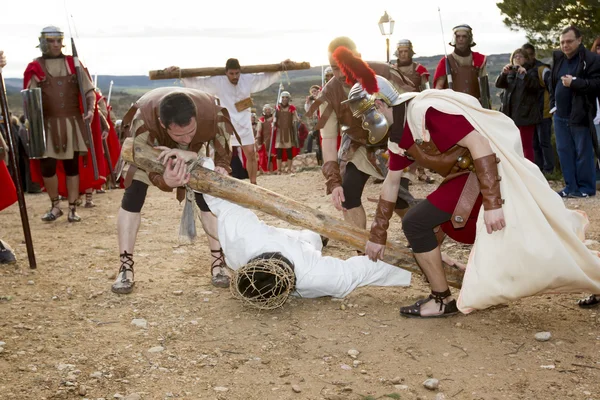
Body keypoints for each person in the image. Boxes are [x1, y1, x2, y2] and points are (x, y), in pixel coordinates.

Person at [338, 67, 600, 317]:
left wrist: (493, 203)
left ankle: (442, 300)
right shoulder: (398, 135)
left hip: (489, 177)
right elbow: (391, 182)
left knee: (417, 222)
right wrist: (377, 234)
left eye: (366, 113)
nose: (364, 121)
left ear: (381, 105)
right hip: (466, 180)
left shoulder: (424, 112)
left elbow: (478, 143)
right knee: (535, 246)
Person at [198, 158, 411, 302]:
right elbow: (358, 271)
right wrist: (417, 263)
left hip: (287, 241)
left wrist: (208, 167)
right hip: (301, 251)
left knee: (307, 239)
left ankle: (317, 236)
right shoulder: (313, 277)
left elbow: (215, 199)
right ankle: (317, 237)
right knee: (310, 242)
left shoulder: (243, 238)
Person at [111, 87, 238, 294]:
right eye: (180, 134)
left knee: (206, 199)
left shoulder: (212, 114)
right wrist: (164, 180)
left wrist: (222, 164)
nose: (186, 138)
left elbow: (222, 143)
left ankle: (218, 263)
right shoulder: (142, 121)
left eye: (191, 131)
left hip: (193, 154)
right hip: (153, 150)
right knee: (133, 196)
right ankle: (126, 268)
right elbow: (140, 154)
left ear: (196, 117)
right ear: (162, 124)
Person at [307, 37, 414, 235]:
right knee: (347, 195)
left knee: (399, 198)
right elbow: (329, 140)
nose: (340, 74)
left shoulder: (385, 74)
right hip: (358, 145)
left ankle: (421, 238)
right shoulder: (329, 94)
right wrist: (334, 180)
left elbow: (412, 107)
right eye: (334, 68)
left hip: (394, 141)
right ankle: (361, 251)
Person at [172, 58, 289, 184]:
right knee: (221, 156)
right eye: (231, 74)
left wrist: (280, 68)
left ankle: (253, 183)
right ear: (226, 72)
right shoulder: (218, 81)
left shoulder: (247, 78)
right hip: (226, 123)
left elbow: (264, 78)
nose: (235, 76)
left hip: (244, 122)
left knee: (251, 153)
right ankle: (219, 183)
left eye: (237, 73)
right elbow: (201, 83)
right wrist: (180, 74)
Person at [23, 26, 98, 222]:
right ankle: (55, 206)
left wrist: (90, 111)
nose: (56, 45)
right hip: (47, 125)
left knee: (72, 166)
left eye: (58, 40)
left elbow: (90, 92)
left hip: (71, 123)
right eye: (51, 41)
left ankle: (73, 208)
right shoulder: (35, 67)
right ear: (43, 43)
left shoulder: (73, 64)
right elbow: (30, 98)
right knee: (47, 167)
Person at [549, 26, 600, 198]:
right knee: (564, 152)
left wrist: (575, 83)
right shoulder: (558, 59)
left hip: (581, 114)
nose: (565, 45)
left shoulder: (592, 59)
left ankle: (586, 189)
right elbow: (552, 83)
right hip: (560, 115)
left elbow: (596, 84)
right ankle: (570, 187)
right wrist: (553, 105)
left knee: (583, 153)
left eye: (569, 41)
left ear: (579, 40)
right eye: (562, 42)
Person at [394, 39, 435, 184]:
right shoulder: (392, 69)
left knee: (420, 140)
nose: (404, 54)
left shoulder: (419, 70)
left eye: (406, 51)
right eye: (401, 52)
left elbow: (427, 90)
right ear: (397, 53)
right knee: (400, 142)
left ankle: (421, 172)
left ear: (410, 52)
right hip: (398, 109)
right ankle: (401, 172)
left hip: (416, 108)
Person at [495, 48, 543, 162]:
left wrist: (524, 75)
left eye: (520, 56)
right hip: (510, 114)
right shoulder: (510, 73)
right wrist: (503, 74)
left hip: (526, 115)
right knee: (512, 145)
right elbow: (499, 84)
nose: (517, 58)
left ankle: (529, 172)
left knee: (526, 146)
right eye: (515, 56)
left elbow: (535, 87)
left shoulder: (531, 71)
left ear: (526, 59)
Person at [433, 24, 491, 108]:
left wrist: (486, 107)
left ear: (469, 39)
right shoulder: (446, 61)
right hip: (453, 107)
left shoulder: (479, 60)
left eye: (464, 36)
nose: (461, 39)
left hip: (475, 106)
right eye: (458, 36)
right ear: (454, 38)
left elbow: (484, 88)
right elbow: (438, 88)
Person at [522, 43, 555, 175]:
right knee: (534, 143)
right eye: (525, 55)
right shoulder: (521, 70)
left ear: (534, 55)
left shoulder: (542, 69)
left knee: (544, 142)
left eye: (530, 55)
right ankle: (538, 169)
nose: (528, 58)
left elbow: (551, 86)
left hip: (543, 112)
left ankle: (549, 170)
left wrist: (553, 106)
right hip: (530, 114)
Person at [273, 91, 299, 173]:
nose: (284, 99)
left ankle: (289, 169)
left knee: (289, 150)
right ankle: (279, 169)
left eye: (286, 97)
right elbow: (274, 118)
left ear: (289, 98)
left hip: (288, 131)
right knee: (279, 151)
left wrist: (295, 121)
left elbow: (296, 118)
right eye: (283, 97)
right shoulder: (277, 108)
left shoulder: (292, 108)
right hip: (279, 131)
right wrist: (273, 122)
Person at [255, 104, 275, 173]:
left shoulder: (274, 119)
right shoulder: (261, 120)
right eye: (266, 110)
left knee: (273, 156)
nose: (268, 111)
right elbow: (258, 132)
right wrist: (259, 142)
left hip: (273, 139)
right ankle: (265, 170)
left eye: (269, 109)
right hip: (265, 140)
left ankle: (272, 170)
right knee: (264, 156)